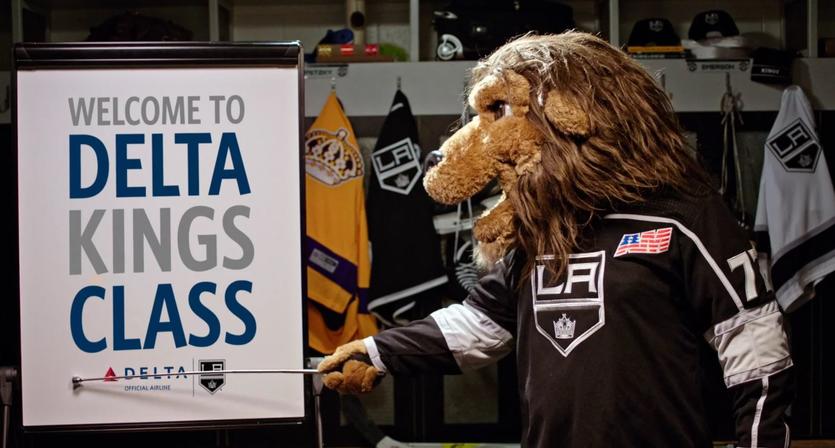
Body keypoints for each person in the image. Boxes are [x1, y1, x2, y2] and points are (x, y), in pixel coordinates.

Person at [318, 32, 794, 447]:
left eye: (500, 110)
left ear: (572, 112)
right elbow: (480, 325)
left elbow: (757, 351)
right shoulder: (540, 226)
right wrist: (377, 352)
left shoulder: (685, 216)